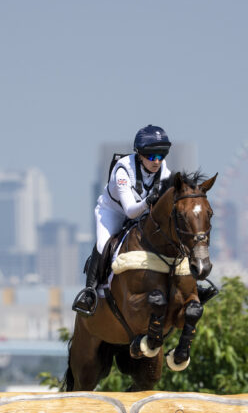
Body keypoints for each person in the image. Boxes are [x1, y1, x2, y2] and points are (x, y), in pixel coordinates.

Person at [71, 124, 173, 316]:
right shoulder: (123, 171)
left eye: (161, 155)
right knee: (103, 244)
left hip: (143, 214)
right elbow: (130, 211)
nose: (157, 161)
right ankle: (90, 292)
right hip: (113, 212)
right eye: (152, 156)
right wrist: (149, 202)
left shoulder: (164, 171)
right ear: (140, 154)